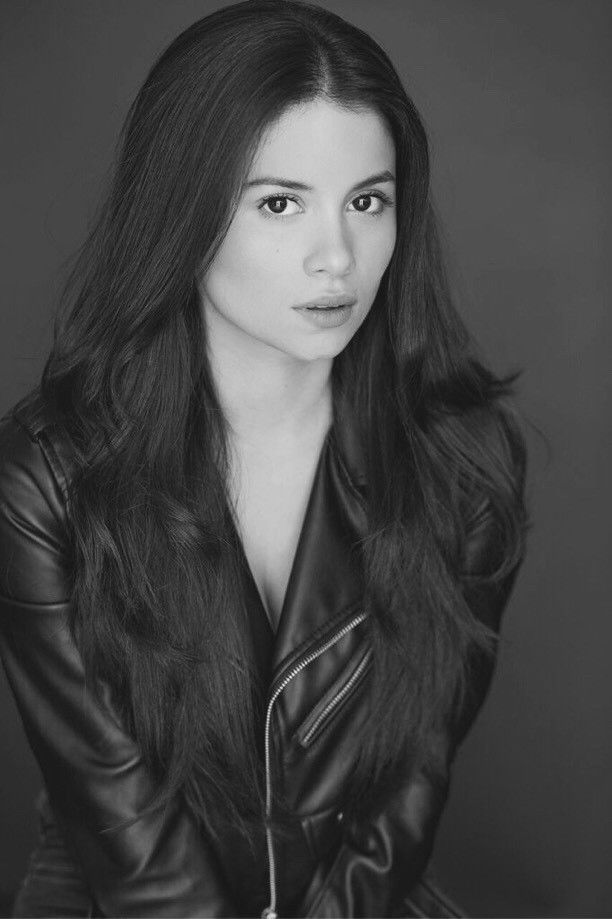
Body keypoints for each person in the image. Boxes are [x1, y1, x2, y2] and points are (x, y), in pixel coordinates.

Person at [0, 1, 529, 916]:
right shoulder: (47, 481)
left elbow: (408, 789)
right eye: (281, 203)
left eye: (367, 201)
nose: (338, 258)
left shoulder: (461, 466)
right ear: (185, 212)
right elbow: (133, 847)